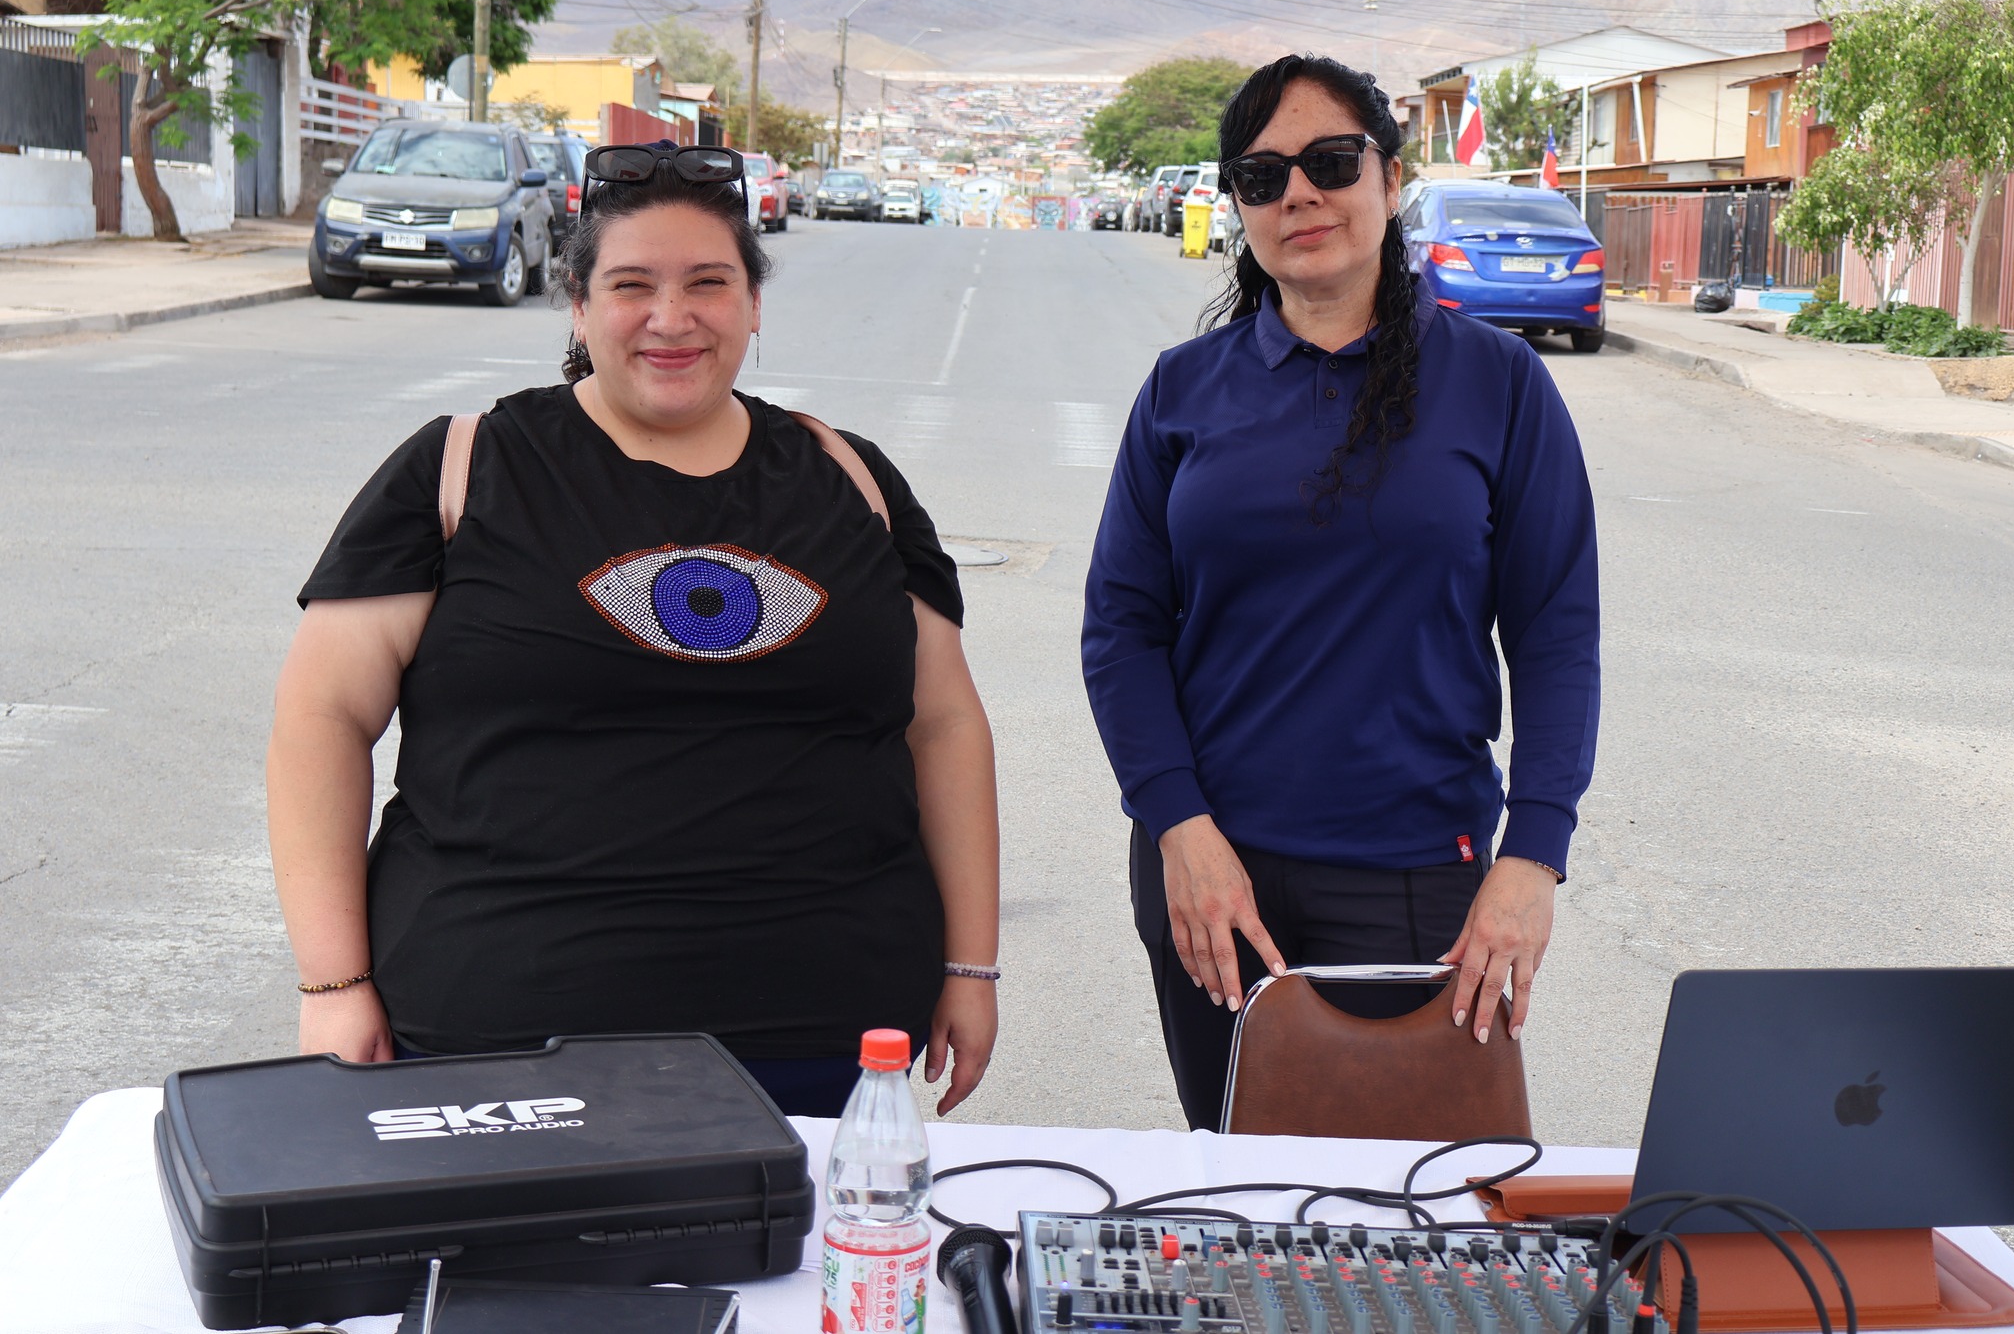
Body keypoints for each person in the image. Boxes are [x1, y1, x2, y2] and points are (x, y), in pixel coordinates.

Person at [267, 142, 1000, 1118]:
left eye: (708, 282)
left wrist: (971, 965)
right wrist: (333, 984)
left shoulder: (850, 480)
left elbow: (943, 723)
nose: (671, 317)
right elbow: (320, 719)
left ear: (751, 305)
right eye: (630, 284)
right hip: (495, 1044)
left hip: (826, 1045)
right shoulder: (459, 470)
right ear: (576, 303)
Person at [1081, 56, 1600, 1132]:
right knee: (1241, 1192)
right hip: (1213, 882)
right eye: (1261, 177)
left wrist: (1532, 858)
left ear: (1390, 178)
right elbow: (1121, 629)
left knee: (1415, 1218)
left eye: (1327, 162)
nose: (1297, 196)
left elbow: (1553, 633)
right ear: (1236, 207)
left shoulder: (1500, 386)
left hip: (1417, 880)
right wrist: (1177, 828)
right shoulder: (1182, 393)